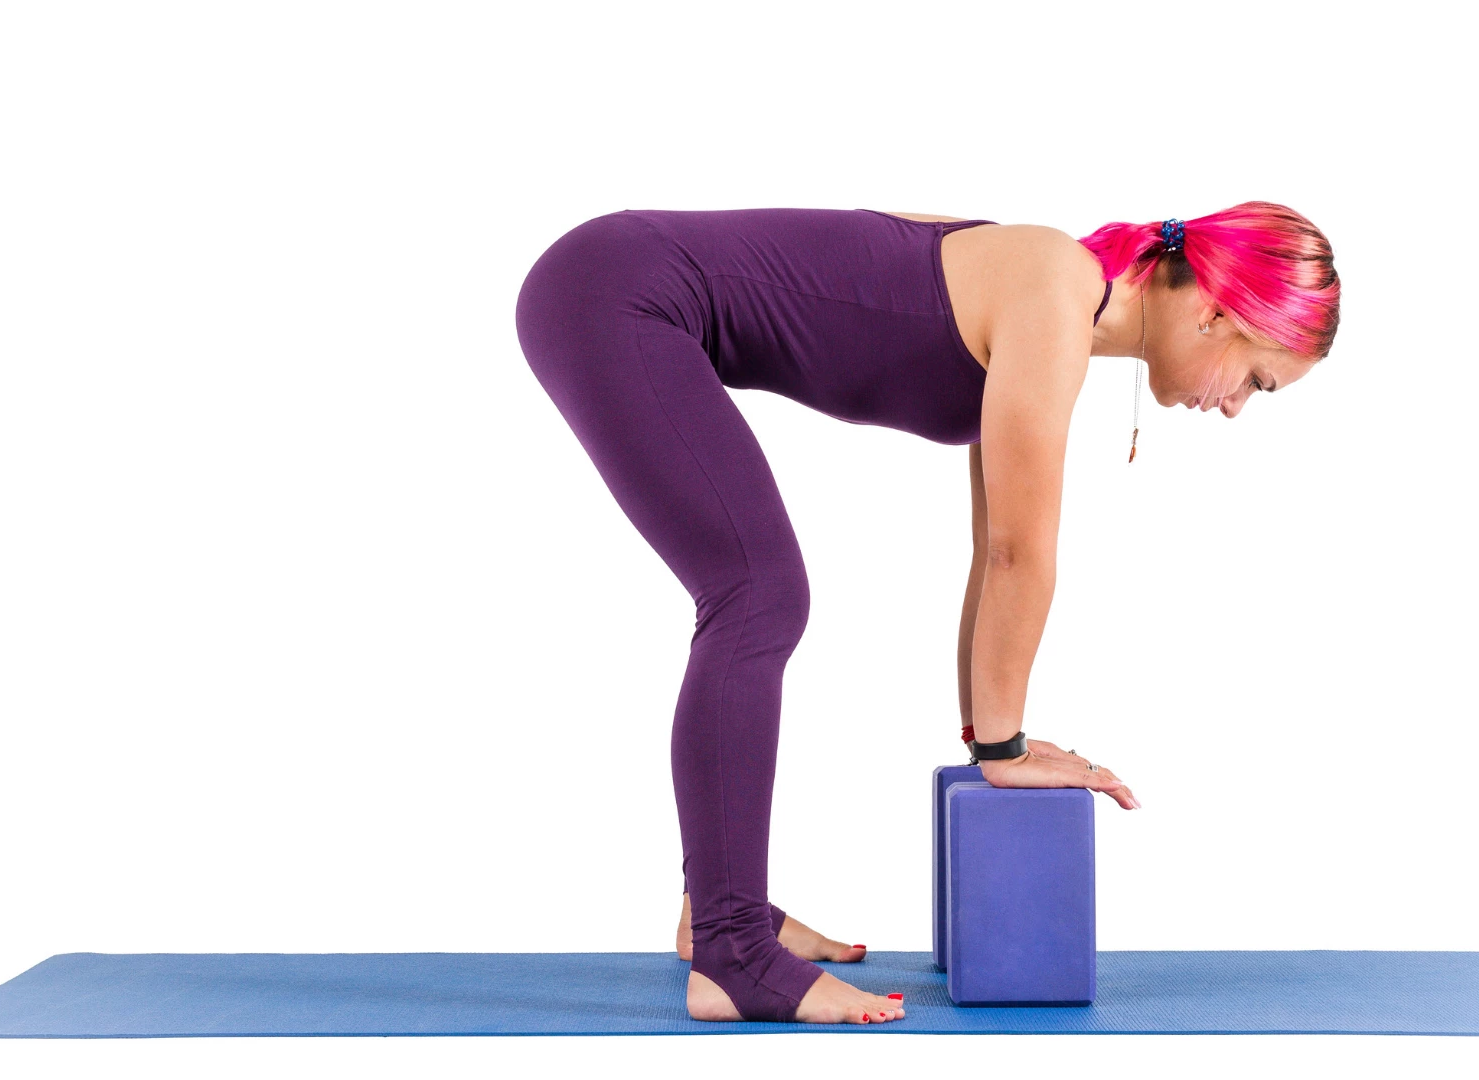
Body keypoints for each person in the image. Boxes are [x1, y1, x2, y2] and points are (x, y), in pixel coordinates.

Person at [513, 204, 1341, 1025]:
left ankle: (716, 914)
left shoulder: (1050, 293)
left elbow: (990, 553)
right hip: (615, 289)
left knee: (758, 590)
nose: (1236, 407)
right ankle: (732, 951)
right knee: (757, 592)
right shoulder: (1055, 292)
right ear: (1217, 312)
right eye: (1258, 381)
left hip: (618, 282)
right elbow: (1023, 554)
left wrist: (994, 740)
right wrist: (1007, 752)